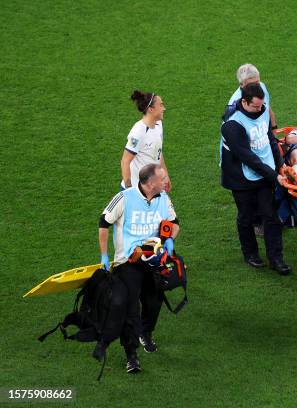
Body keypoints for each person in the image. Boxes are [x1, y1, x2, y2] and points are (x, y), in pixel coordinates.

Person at [98, 164, 180, 374]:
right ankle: (131, 355)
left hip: (153, 259)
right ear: (150, 183)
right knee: (130, 308)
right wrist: (105, 255)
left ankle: (146, 333)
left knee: (154, 302)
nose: (166, 181)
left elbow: (174, 222)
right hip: (128, 262)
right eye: (162, 179)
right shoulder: (125, 198)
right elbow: (103, 221)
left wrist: (168, 239)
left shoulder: (163, 198)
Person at [220, 83, 291, 275]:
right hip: (241, 178)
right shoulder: (232, 125)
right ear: (244, 102)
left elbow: (270, 138)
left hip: (265, 172)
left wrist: (280, 163)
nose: (260, 110)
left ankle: (276, 258)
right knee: (246, 216)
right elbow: (247, 158)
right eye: (255, 107)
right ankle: (250, 253)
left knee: (271, 216)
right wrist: (274, 175)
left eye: (261, 106)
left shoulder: (263, 109)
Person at [121, 90, 171, 192]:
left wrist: (165, 176)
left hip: (153, 188)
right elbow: (125, 161)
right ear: (151, 109)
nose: (164, 109)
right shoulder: (138, 132)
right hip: (137, 190)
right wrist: (130, 191)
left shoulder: (158, 125)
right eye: (161, 105)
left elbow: (158, 152)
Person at [227, 63, 277, 129]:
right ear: (242, 84)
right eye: (251, 84)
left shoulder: (261, 86)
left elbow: (268, 109)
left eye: (257, 82)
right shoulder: (234, 104)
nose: (255, 86)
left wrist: (274, 128)